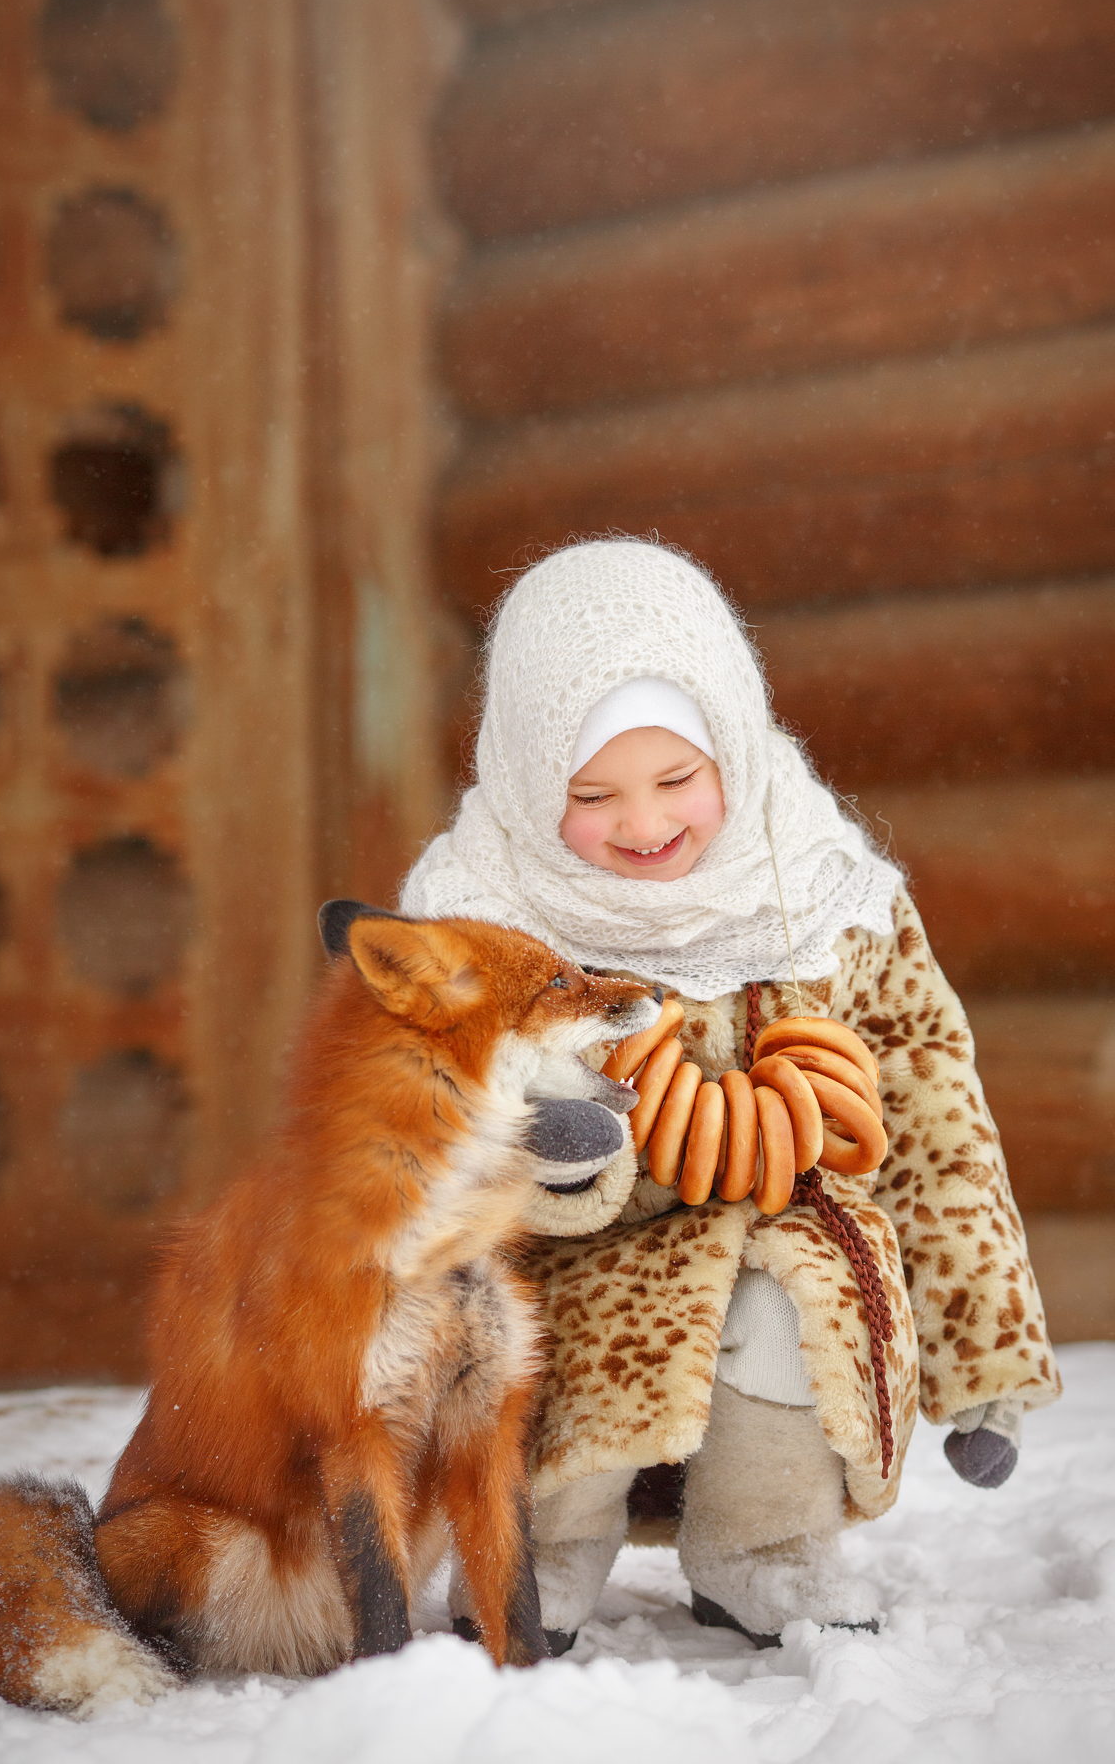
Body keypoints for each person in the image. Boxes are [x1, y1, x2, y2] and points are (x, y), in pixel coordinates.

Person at [400, 538, 1059, 1649]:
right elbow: (417, 1128)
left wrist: (982, 1352)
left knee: (794, 1300)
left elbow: (934, 1117)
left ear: (736, 749)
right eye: (591, 793)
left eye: (678, 779)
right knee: (535, 1339)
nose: (645, 824)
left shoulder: (826, 896)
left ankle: (765, 1552)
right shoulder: (479, 924)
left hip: (777, 1251)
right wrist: (546, 1157)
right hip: (571, 1267)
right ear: (521, 777)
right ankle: (532, 1551)